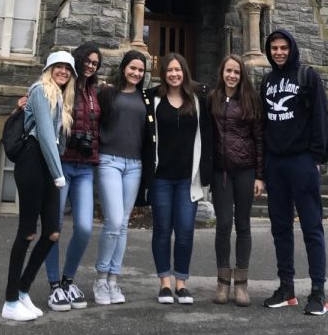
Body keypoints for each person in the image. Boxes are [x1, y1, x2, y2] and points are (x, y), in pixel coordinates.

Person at [260, 29, 328, 316]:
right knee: (280, 228)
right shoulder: (266, 81)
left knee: (312, 227)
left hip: (302, 161)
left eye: (283, 48)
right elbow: (264, 124)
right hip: (275, 164)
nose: (278, 52)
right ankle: (286, 288)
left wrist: (317, 156)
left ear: (292, 48)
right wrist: (264, 164)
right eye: (274, 48)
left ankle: (318, 293)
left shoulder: (307, 76)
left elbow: (320, 117)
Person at [2, 50, 76, 322]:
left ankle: (22, 291)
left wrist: (55, 171)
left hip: (48, 165)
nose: (63, 72)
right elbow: (44, 134)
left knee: (53, 233)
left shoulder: (61, 98)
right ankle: (10, 300)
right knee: (28, 232)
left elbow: (56, 139)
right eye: (58, 67)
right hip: (34, 162)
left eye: (68, 69)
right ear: (49, 69)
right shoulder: (39, 90)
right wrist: (59, 174)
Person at [143, 52, 212, 305]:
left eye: (178, 70)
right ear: (164, 73)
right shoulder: (153, 99)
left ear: (185, 72)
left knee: (184, 231)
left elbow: (209, 133)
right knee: (162, 230)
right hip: (161, 178)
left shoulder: (198, 99)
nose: (174, 74)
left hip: (187, 179)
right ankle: (164, 283)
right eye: (169, 70)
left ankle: (181, 283)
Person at [93, 49, 154, 305]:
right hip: (109, 161)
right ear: (124, 67)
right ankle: (100, 277)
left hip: (135, 165)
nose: (136, 73)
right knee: (114, 220)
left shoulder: (146, 98)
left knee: (123, 223)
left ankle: (113, 280)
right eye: (133, 68)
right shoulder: (107, 92)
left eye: (141, 70)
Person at [45, 41, 102, 311]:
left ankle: (69, 279)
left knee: (84, 227)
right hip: (63, 164)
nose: (90, 66)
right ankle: (55, 285)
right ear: (77, 60)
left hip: (86, 167)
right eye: (87, 61)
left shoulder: (96, 92)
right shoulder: (63, 85)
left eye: (95, 63)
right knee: (53, 227)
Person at [209, 54, 264, 307]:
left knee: (243, 225)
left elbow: (259, 139)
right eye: (228, 71)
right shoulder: (213, 98)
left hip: (245, 171)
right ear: (222, 72)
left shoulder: (250, 100)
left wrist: (260, 176)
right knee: (223, 224)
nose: (232, 76)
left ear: (242, 76)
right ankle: (222, 282)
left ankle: (241, 284)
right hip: (220, 172)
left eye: (237, 72)